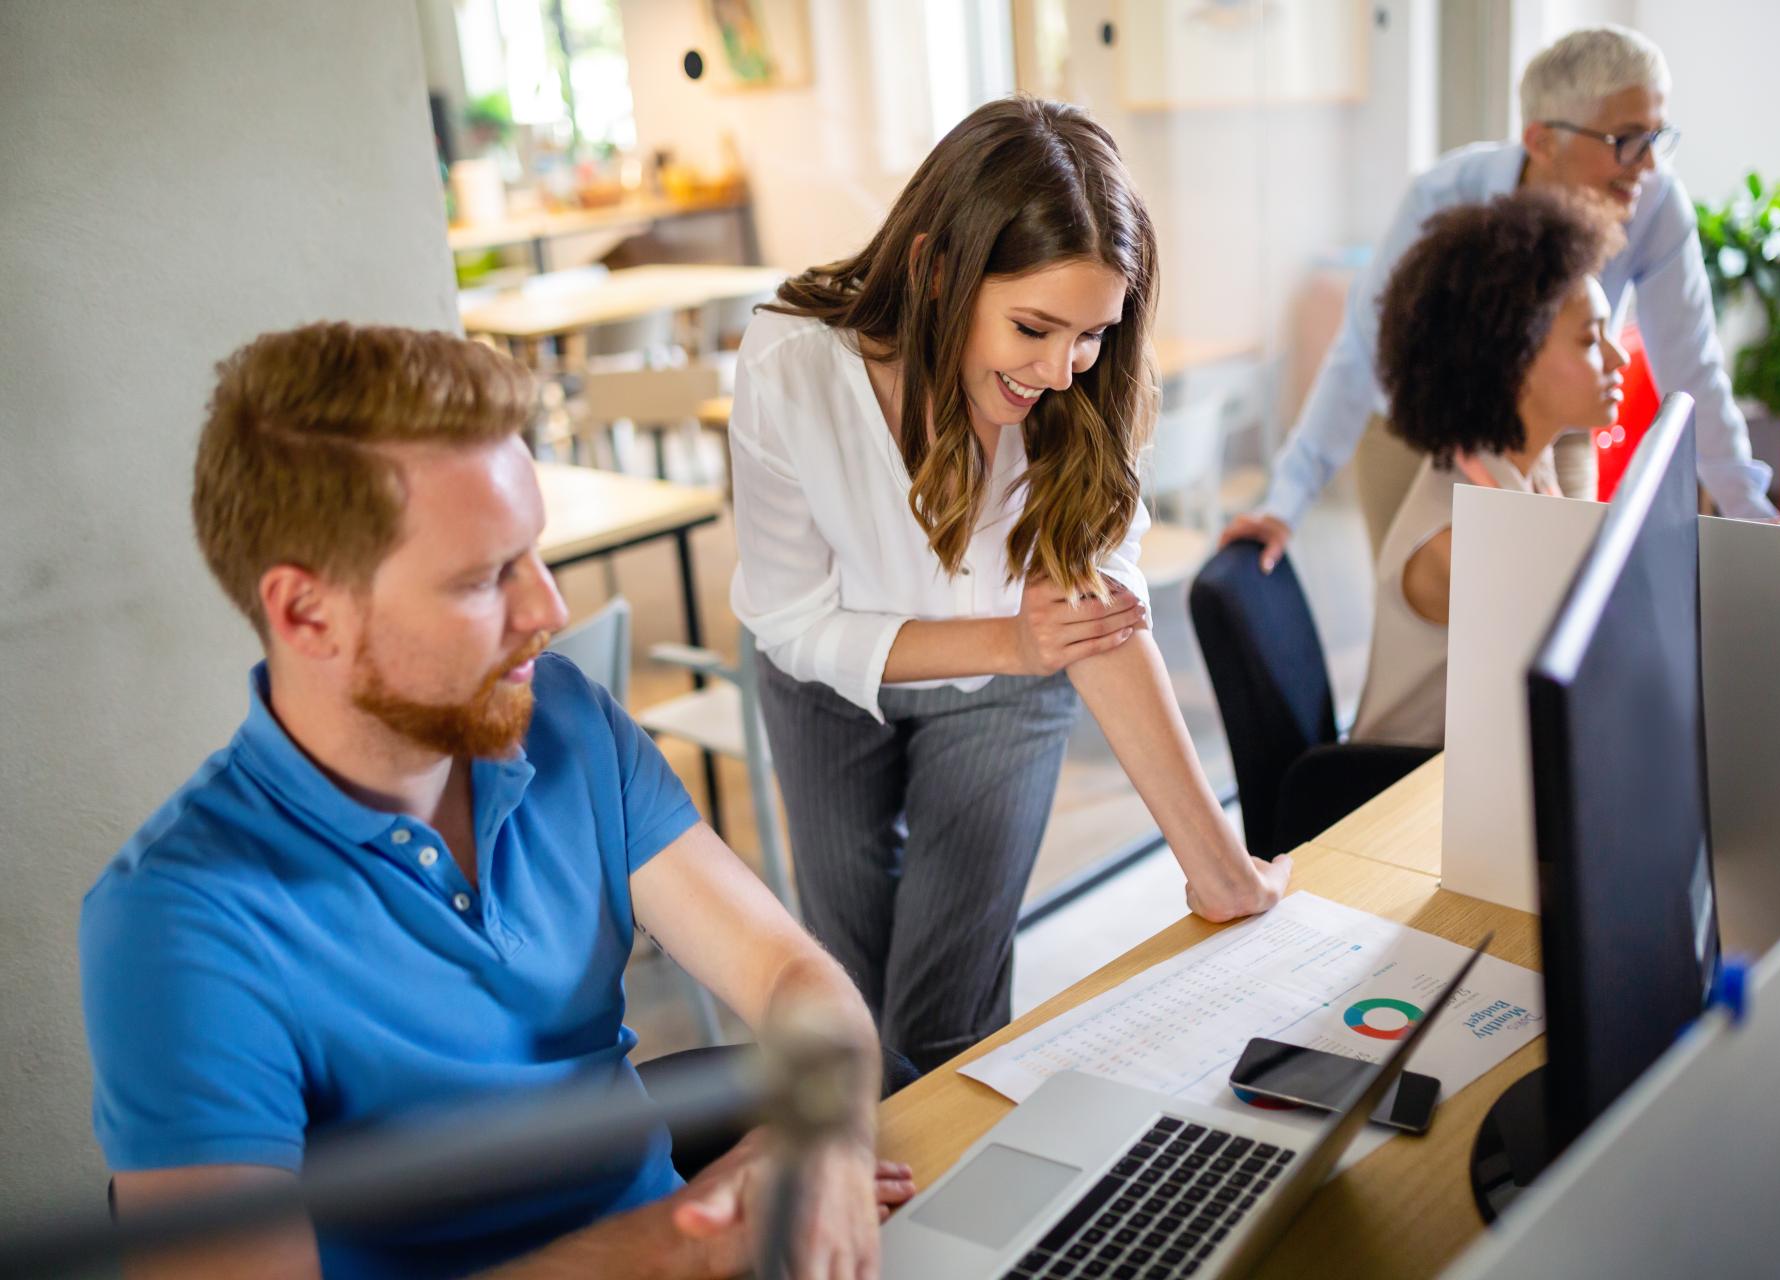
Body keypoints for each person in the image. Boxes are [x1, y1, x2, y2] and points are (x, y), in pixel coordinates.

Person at [78, 323, 912, 1279]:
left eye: (533, 554)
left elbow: (784, 970)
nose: (551, 610)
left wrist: (824, 1138)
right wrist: (667, 1250)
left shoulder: (564, 720)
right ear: (308, 613)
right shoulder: (175, 924)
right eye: (485, 578)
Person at [728, 96, 1289, 1074]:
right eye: (1033, 326)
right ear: (937, 269)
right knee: (851, 1011)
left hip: (1003, 690)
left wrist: (1223, 872)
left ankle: (969, 1218)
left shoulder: (1083, 389)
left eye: (1092, 333)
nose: (1063, 370)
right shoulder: (791, 363)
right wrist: (1011, 642)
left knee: (940, 1023)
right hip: (827, 683)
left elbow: (1097, 622)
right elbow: (791, 617)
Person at [1222, 23, 1776, 574]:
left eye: (1657, 137)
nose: (1649, 165)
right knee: (1430, 611)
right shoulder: (1445, 197)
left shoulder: (1656, 205)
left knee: (1566, 604)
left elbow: (1693, 369)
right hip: (1420, 435)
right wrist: (1285, 504)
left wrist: (1753, 518)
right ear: (1540, 140)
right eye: (1627, 140)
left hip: (1553, 427)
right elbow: (1361, 351)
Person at [1349, 190, 1627, 748]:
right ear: (1514, 361)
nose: (1617, 357)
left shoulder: (1523, 465)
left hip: (1468, 772)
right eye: (1589, 338)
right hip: (1392, 800)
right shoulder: (1461, 542)